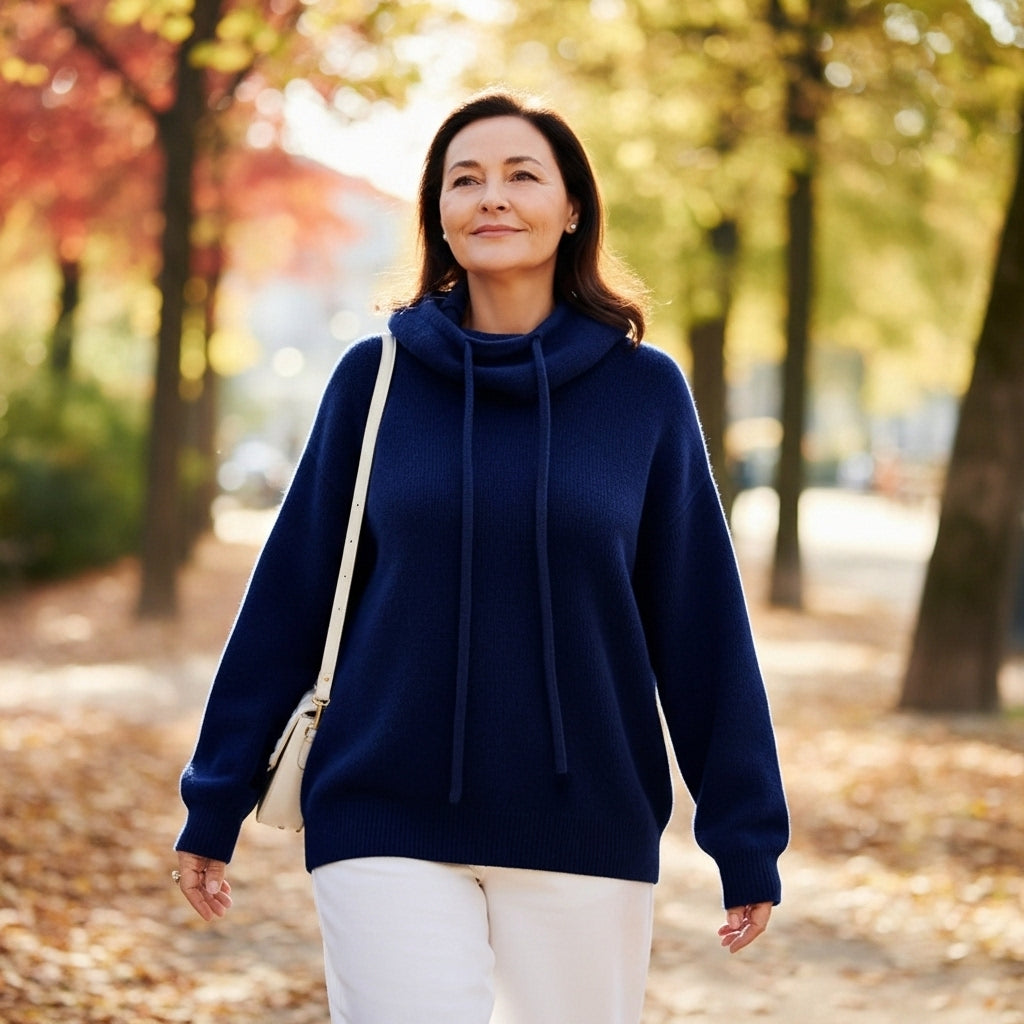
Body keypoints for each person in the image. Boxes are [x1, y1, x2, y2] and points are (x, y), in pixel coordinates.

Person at [174, 89, 789, 1024]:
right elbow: (290, 599)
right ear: (439, 215)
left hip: (585, 818)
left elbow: (700, 625)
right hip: (382, 808)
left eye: (520, 175)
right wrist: (215, 798)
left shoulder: (644, 393)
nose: (490, 197)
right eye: (464, 179)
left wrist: (743, 833)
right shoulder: (372, 378)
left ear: (571, 206)